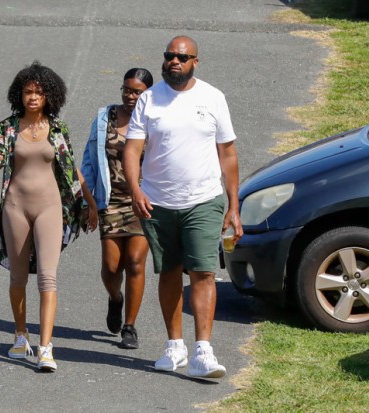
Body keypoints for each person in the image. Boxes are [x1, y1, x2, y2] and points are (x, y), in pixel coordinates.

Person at [123, 35, 243, 379]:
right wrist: (135, 189)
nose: (174, 61)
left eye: (182, 57)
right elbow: (132, 149)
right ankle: (174, 346)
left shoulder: (213, 97)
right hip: (158, 203)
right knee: (170, 271)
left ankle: (203, 351)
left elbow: (228, 153)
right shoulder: (149, 99)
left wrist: (234, 205)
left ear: (195, 62)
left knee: (203, 272)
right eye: (169, 56)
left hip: (203, 200)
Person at [0, 61, 97, 372]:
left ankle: (45, 348)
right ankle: (21, 337)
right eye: (27, 92)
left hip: (50, 208)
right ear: (19, 95)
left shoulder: (58, 129)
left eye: (39, 92)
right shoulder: (8, 127)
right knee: (18, 276)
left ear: (50, 96)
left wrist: (90, 203)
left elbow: (72, 169)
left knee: (48, 277)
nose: (32, 97)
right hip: (15, 207)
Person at [80, 68, 153, 349]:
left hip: (143, 200)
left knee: (134, 262)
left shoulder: (154, 119)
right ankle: (115, 298)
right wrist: (87, 201)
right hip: (109, 200)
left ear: (148, 94)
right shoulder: (104, 118)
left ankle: (130, 326)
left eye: (137, 92)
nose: (130, 96)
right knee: (112, 267)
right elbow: (89, 161)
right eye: (126, 90)